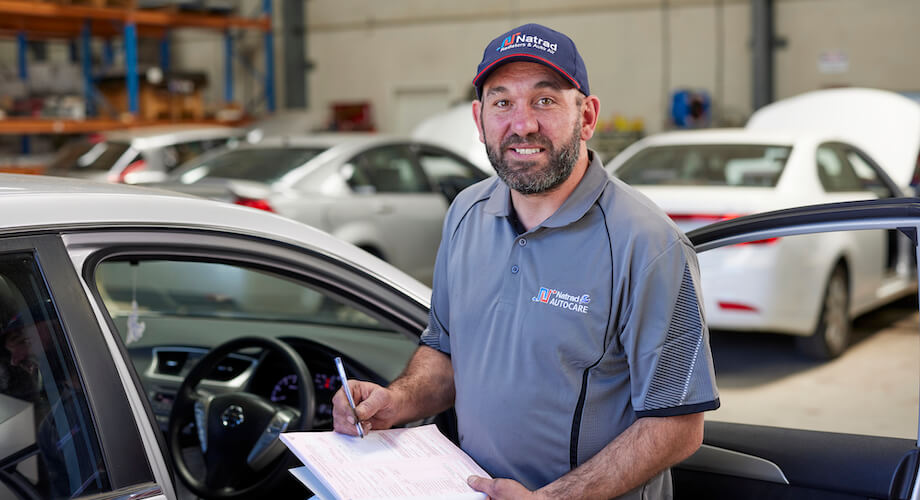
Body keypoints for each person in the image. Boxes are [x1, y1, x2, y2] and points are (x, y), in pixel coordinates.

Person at [333, 23, 719, 499]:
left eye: (545, 100)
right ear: (479, 120)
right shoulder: (466, 214)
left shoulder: (647, 243)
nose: (523, 125)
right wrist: (395, 401)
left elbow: (679, 424)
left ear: (587, 116)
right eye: (502, 103)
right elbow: (447, 353)